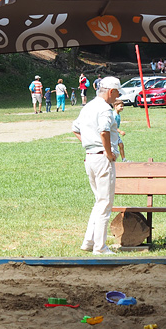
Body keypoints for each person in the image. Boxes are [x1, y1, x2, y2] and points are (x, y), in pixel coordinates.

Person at [72, 76, 121, 255]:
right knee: (105, 203)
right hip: (101, 158)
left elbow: (75, 128)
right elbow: (104, 131)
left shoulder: (88, 106)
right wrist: (108, 152)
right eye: (117, 93)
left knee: (98, 201)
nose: (117, 97)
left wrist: (89, 143)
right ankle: (100, 247)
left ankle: (89, 241)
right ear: (110, 91)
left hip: (90, 156)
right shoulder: (104, 109)